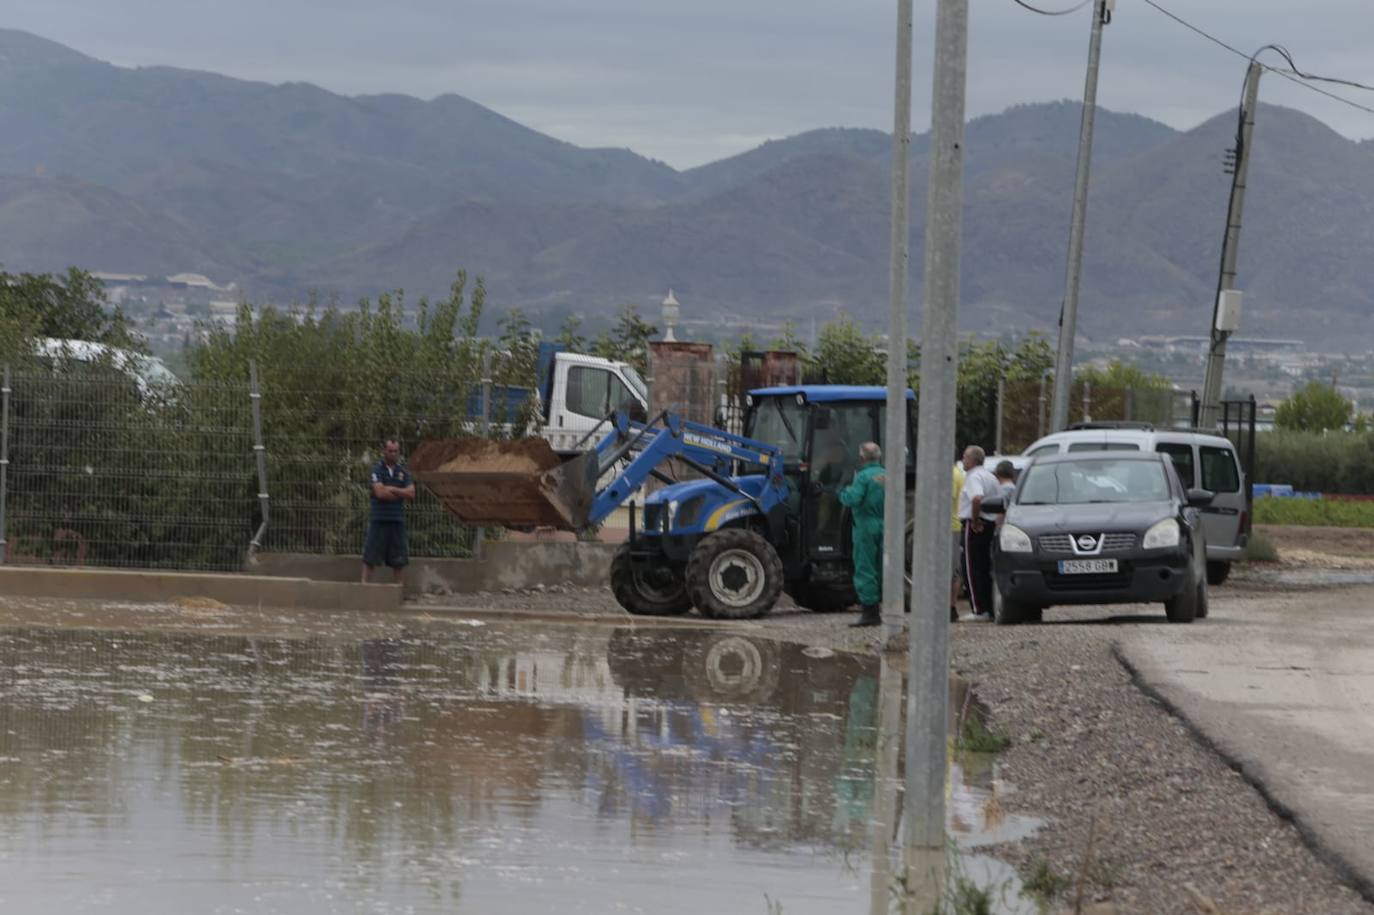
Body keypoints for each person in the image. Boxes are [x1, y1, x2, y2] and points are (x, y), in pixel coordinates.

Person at [839, 441, 886, 628]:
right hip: (885, 524)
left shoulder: (862, 477)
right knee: (881, 566)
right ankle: (885, 607)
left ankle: (870, 613)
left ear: (861, 457)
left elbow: (854, 499)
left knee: (865, 567)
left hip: (866, 526)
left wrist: (842, 492)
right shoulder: (886, 474)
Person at [362, 439, 415, 585]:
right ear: (384, 451)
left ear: (399, 452)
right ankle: (363, 586)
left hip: (396, 520)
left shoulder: (403, 472)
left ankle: (399, 590)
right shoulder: (377, 469)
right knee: (370, 556)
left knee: (398, 559)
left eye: (396, 451)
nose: (393, 454)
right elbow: (379, 493)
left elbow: (411, 493)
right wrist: (399, 493)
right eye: (390, 451)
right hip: (379, 519)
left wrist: (392, 489)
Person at [958, 445, 1000, 619]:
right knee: (984, 567)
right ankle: (989, 607)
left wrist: (975, 520)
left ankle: (979, 609)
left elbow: (977, 498)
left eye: (965, 457)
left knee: (972, 567)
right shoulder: (990, 476)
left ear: (973, 459)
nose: (963, 460)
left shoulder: (974, 476)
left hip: (975, 524)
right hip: (990, 523)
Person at [950, 457, 966, 623]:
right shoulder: (959, 473)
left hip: (950, 526)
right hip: (955, 525)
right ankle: (951, 607)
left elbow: (948, 498)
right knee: (955, 569)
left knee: (952, 570)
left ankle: (951, 608)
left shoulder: (951, 475)